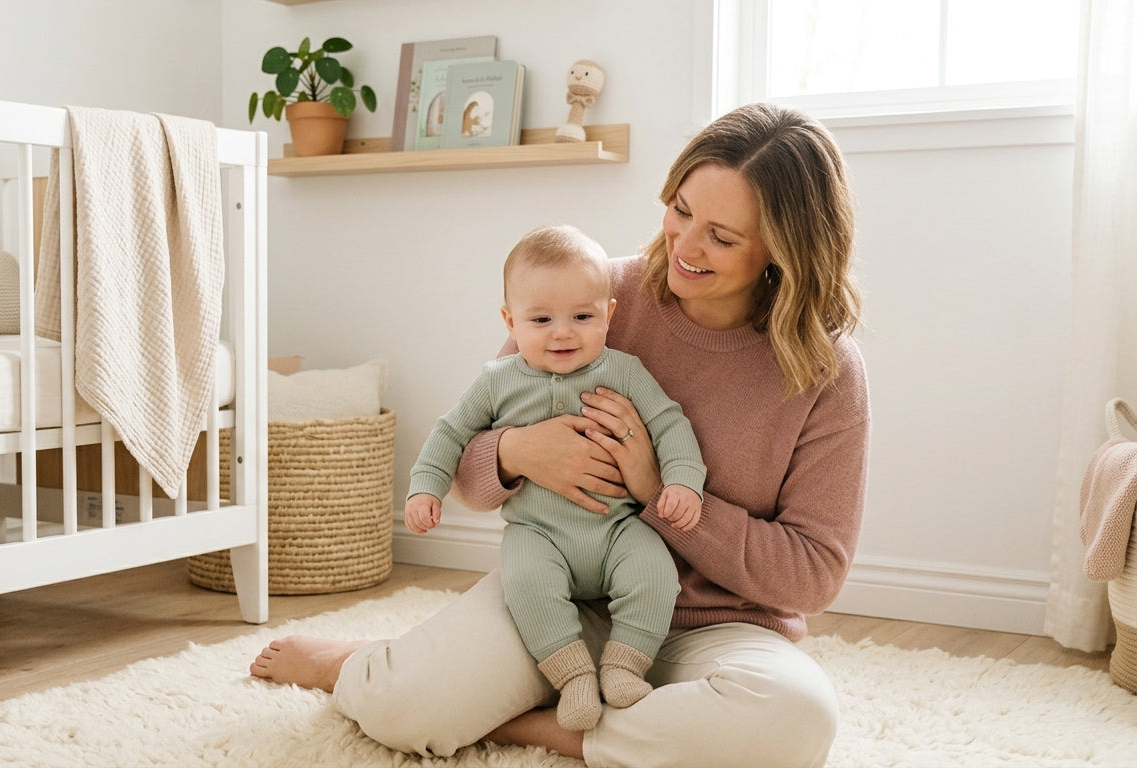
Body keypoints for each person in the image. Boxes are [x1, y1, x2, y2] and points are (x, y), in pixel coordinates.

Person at [250, 101, 869, 768]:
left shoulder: (824, 370)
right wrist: (516, 454)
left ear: (785, 247)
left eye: (722, 237)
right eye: (681, 209)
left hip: (723, 631)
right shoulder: (597, 296)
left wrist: (661, 494)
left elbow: (813, 575)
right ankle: (367, 663)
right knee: (406, 707)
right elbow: (467, 458)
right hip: (565, 598)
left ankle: (535, 727)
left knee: (795, 722)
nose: (685, 248)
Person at [404, 224, 706, 731]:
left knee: (656, 573)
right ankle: (573, 678)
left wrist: (681, 481)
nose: (562, 332)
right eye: (541, 319)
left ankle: (623, 664)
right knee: (526, 585)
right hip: (537, 534)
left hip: (617, 528)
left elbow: (671, 423)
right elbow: (451, 433)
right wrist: (423, 487)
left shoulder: (625, 370)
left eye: (582, 317)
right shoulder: (498, 379)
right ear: (510, 321)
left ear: (609, 315)